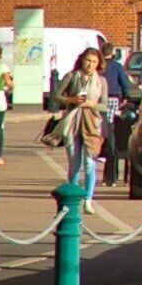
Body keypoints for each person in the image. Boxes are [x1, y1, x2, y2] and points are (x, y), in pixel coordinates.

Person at [48, 48, 107, 188]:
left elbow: (104, 105)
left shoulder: (101, 81)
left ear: (98, 64)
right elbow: (56, 96)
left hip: (92, 123)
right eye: (88, 61)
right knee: (75, 163)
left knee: (89, 162)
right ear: (82, 60)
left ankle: (88, 199)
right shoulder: (72, 76)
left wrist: (91, 104)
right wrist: (72, 100)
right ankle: (73, 193)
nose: (90, 65)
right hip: (73, 121)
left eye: (94, 62)